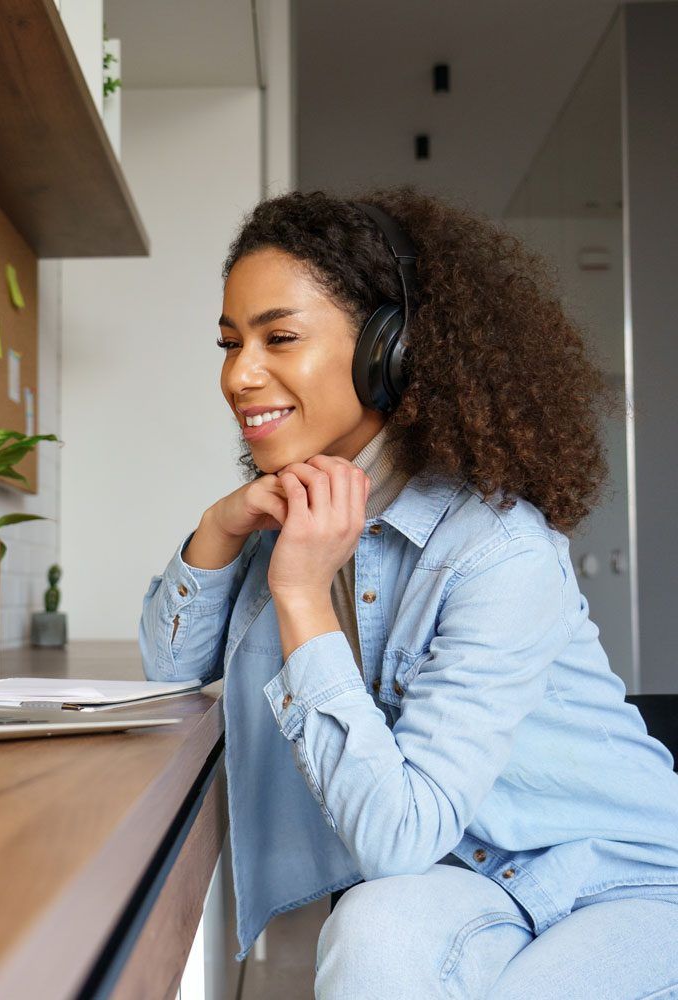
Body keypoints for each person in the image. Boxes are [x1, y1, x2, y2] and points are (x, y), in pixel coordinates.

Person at [138, 187, 678, 999]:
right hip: (468, 877)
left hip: (620, 880)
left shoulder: (499, 551)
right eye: (229, 343)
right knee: (374, 930)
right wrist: (218, 528)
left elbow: (395, 837)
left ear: (388, 350)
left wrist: (301, 595)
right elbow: (171, 668)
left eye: (278, 337)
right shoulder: (304, 508)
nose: (239, 376)